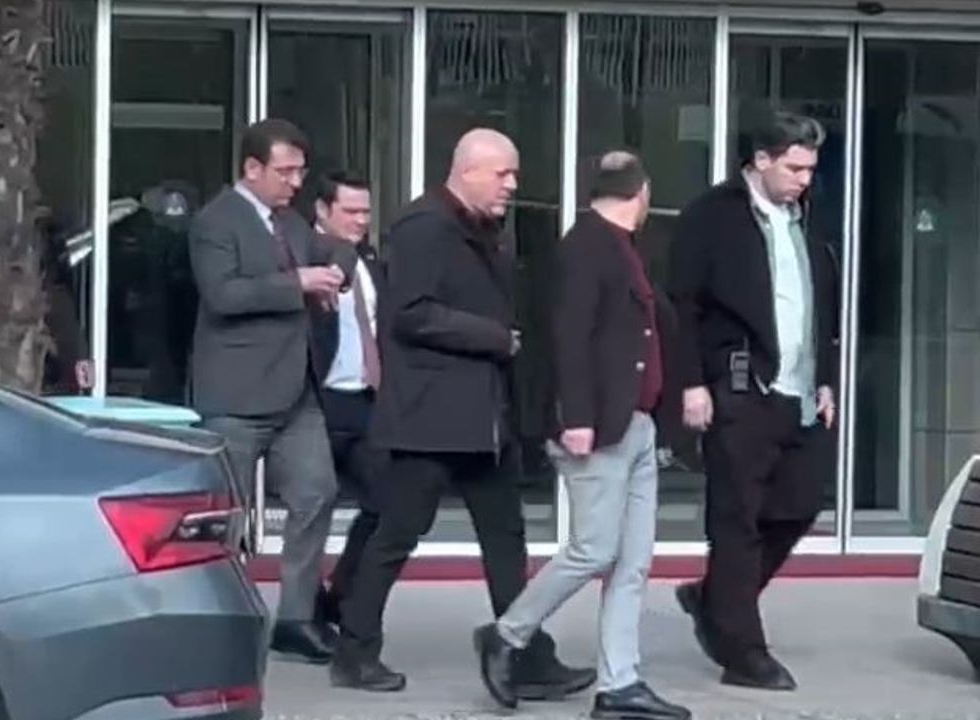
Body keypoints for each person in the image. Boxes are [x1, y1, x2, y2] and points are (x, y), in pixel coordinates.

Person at [331, 128, 594, 698]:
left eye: (514, 174)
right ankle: (354, 650)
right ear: (467, 170)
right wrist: (495, 337)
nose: (512, 185)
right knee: (397, 532)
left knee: (506, 539)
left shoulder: (482, 228)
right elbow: (411, 314)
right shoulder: (424, 226)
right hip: (431, 418)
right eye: (502, 174)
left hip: (482, 418)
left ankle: (522, 652)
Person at [474, 152, 689, 720]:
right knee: (595, 548)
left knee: (632, 562)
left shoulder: (620, 247)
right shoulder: (587, 248)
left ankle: (620, 684)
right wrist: (576, 418)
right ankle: (507, 634)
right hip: (598, 426)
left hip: (634, 423)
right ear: (642, 193)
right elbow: (567, 338)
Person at [670, 111, 840, 691]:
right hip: (739, 390)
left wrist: (825, 379)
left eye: (811, 170)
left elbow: (817, 304)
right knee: (736, 521)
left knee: (800, 504)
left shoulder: (805, 217)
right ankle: (743, 651)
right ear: (760, 159)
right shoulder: (713, 216)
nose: (804, 180)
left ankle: (713, 599)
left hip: (800, 393)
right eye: (794, 168)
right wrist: (692, 383)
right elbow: (682, 304)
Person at [188, 118, 357, 664]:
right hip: (235, 397)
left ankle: (297, 617)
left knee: (317, 493)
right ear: (252, 168)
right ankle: (221, 618)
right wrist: (299, 283)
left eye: (300, 172)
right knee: (226, 515)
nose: (295, 183)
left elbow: (335, 251)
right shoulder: (216, 221)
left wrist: (335, 273)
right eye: (285, 172)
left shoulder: (291, 222)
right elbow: (223, 295)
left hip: (295, 393)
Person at [306, 171, 384, 627]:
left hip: (364, 399)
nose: (361, 220)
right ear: (322, 210)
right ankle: (305, 609)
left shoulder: (368, 260)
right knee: (313, 506)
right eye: (350, 211)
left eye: (366, 211)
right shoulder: (303, 254)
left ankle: (341, 596)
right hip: (317, 401)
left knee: (386, 501)